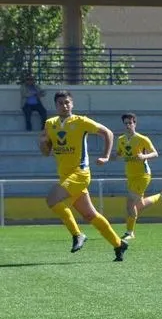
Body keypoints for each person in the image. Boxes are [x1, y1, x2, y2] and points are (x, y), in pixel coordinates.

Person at [38, 90, 129, 261]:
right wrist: (42, 143)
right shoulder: (50, 124)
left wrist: (106, 156)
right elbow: (46, 152)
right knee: (90, 215)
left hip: (80, 173)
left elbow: (108, 133)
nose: (64, 106)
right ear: (55, 105)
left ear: (72, 104)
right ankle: (118, 244)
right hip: (65, 176)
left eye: (67, 102)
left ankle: (77, 234)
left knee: (52, 200)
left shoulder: (81, 121)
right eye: (60, 103)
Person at [111, 113, 162, 240]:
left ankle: (130, 233)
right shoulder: (121, 139)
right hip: (130, 176)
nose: (128, 125)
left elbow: (155, 153)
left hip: (143, 175)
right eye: (126, 123)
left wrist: (144, 156)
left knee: (130, 204)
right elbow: (119, 153)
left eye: (130, 123)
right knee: (138, 205)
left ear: (135, 124)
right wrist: (108, 157)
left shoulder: (142, 139)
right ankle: (161, 196)